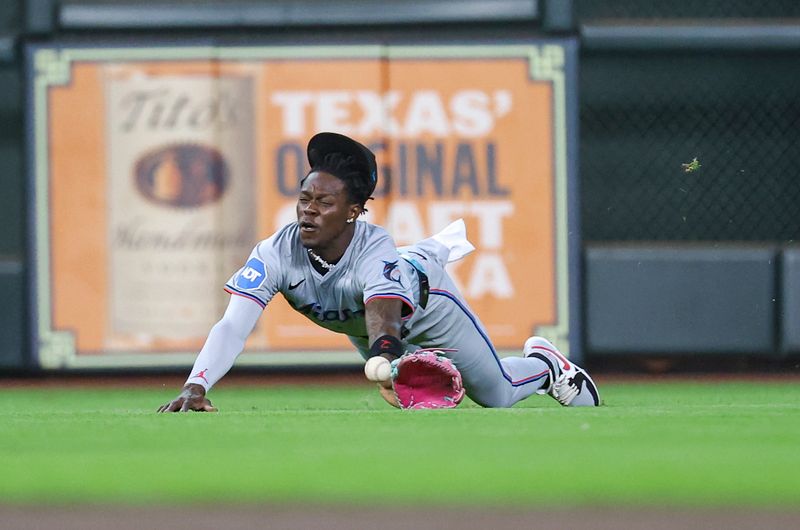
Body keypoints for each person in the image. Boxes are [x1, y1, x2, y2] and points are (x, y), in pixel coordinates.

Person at [158, 132, 600, 412]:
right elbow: (233, 326)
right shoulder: (276, 251)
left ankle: (544, 366)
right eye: (304, 199)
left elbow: (384, 315)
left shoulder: (374, 248)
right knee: (415, 402)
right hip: (361, 320)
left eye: (324, 203)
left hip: (426, 305)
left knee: (496, 396)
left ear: (353, 211)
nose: (308, 212)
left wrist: (385, 359)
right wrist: (197, 384)